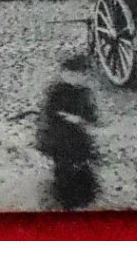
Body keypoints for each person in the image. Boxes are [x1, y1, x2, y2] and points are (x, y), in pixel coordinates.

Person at [35, 59, 100, 210]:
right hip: (57, 135)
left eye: (80, 75)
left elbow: (92, 115)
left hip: (77, 136)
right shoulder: (56, 91)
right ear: (64, 74)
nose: (76, 78)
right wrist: (65, 117)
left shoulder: (84, 93)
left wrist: (83, 119)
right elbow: (49, 112)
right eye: (72, 75)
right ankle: (63, 196)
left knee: (81, 163)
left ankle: (81, 195)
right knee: (63, 164)